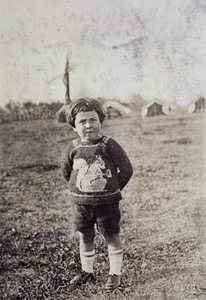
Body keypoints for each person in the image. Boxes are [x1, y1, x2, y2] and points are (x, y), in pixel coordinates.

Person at [61, 97, 133, 292]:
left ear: (101, 121)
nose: (88, 125)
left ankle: (115, 273)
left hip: (107, 204)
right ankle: (87, 271)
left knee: (111, 234)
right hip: (81, 205)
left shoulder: (109, 145)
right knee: (85, 236)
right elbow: (66, 172)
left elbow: (126, 169)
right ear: (74, 126)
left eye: (93, 120)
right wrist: (79, 191)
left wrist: (112, 189)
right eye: (82, 121)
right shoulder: (72, 148)